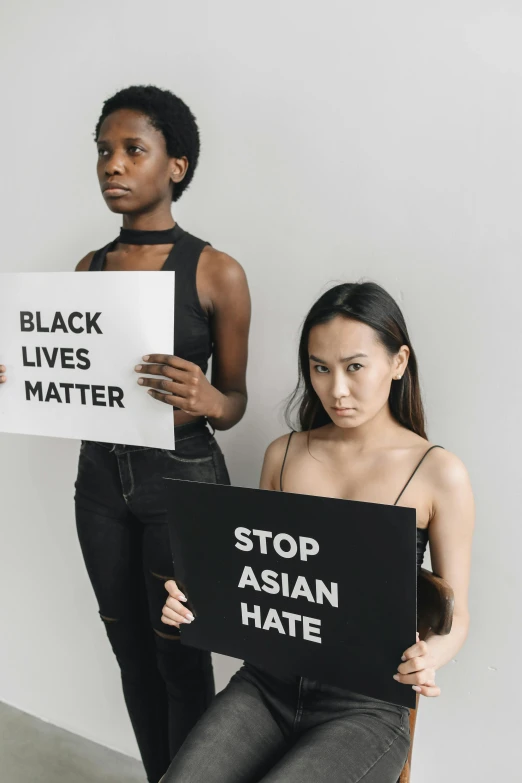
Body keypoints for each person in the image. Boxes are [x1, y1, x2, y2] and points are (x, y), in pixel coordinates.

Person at [159, 281, 474, 783]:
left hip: (365, 706)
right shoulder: (283, 454)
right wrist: (193, 600)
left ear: (398, 362)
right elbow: (254, 573)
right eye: (319, 368)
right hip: (266, 683)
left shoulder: (439, 473)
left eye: (354, 367)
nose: (336, 390)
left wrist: (428, 657)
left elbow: (455, 617)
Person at [71, 85, 251, 783]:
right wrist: (29, 375)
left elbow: (234, 398)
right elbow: (80, 377)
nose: (112, 165)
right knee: (130, 652)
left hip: (181, 479)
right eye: (103, 152)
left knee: (181, 651)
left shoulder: (217, 271)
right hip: (98, 481)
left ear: (175, 166)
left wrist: (211, 396)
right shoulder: (87, 270)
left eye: (132, 150)